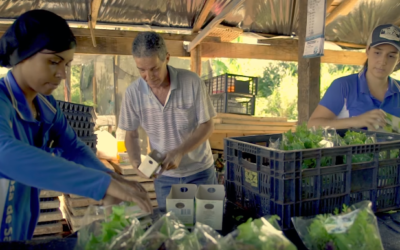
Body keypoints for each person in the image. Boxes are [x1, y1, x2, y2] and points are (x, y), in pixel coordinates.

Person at [0, 10, 152, 242]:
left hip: (19, 232)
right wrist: (101, 184)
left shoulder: (45, 106)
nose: (62, 74)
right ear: (23, 55)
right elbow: (5, 153)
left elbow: (73, 146)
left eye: (67, 65)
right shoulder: (2, 101)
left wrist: (111, 177)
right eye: (53, 62)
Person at [119, 32, 218, 211]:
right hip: (165, 178)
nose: (148, 77)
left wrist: (180, 152)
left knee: (207, 228)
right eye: (141, 70)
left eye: (154, 68)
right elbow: (131, 134)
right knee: (174, 231)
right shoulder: (132, 93)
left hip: (201, 172)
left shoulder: (192, 82)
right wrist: (135, 163)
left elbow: (208, 125)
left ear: (167, 58)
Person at [308, 24, 400, 130]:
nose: (383, 61)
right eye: (377, 52)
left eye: (391, 56)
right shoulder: (344, 86)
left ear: (398, 59)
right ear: (368, 51)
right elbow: (312, 125)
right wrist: (355, 121)